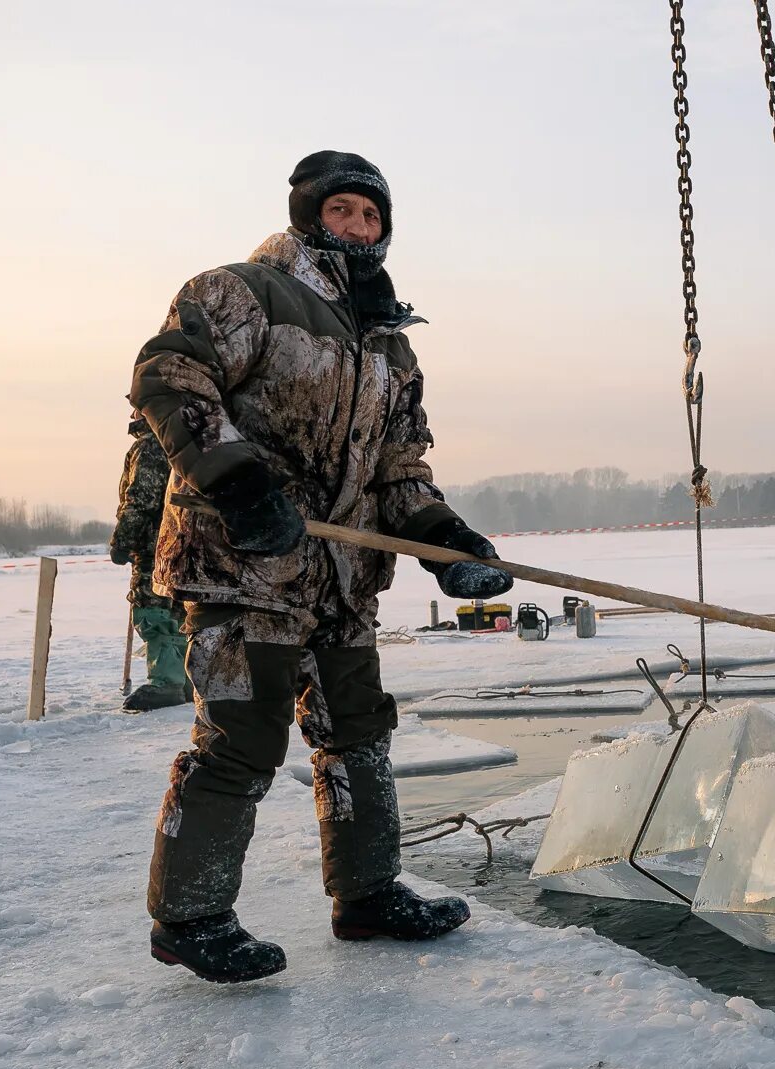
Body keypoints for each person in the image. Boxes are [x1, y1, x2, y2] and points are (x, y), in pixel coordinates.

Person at [127, 151, 512, 984]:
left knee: (359, 733)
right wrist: (237, 482)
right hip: (240, 561)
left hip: (340, 578)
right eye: (344, 211)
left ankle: (368, 895)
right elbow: (170, 376)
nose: (360, 228)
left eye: (373, 217)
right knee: (242, 735)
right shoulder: (241, 290)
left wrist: (451, 545)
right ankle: (190, 916)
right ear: (310, 214)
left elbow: (399, 470)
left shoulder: (388, 344)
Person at [109, 418, 190, 711]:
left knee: (153, 610)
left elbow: (141, 500)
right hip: (186, 543)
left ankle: (168, 682)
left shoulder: (149, 448)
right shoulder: (188, 443)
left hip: (154, 546)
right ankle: (186, 679)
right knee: (180, 608)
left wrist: (122, 541)